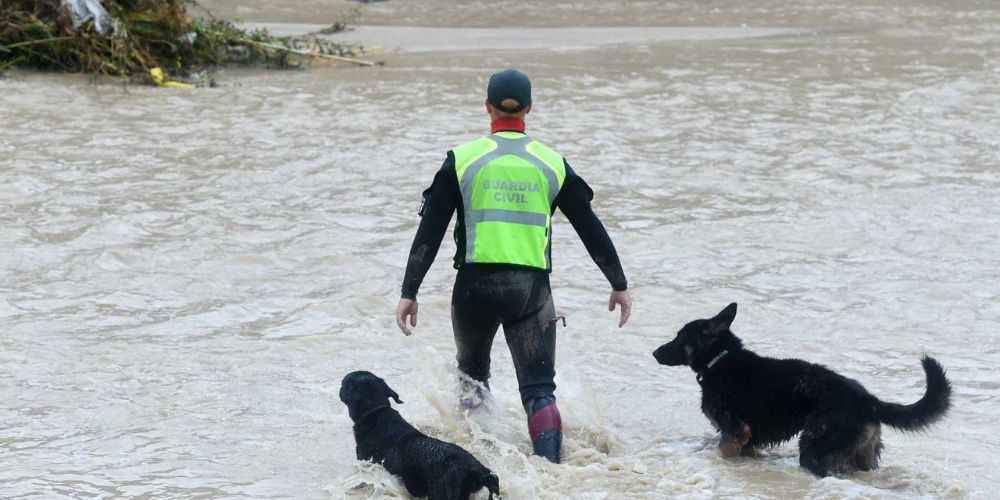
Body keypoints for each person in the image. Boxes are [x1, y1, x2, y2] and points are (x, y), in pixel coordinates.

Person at [394, 69, 631, 464]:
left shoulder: (462, 159)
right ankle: (551, 477)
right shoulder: (552, 163)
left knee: (473, 379)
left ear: (487, 106)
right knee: (539, 389)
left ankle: (482, 464)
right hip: (531, 293)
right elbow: (591, 228)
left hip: (473, 288)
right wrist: (618, 284)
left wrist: (409, 292)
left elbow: (430, 231)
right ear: (530, 109)